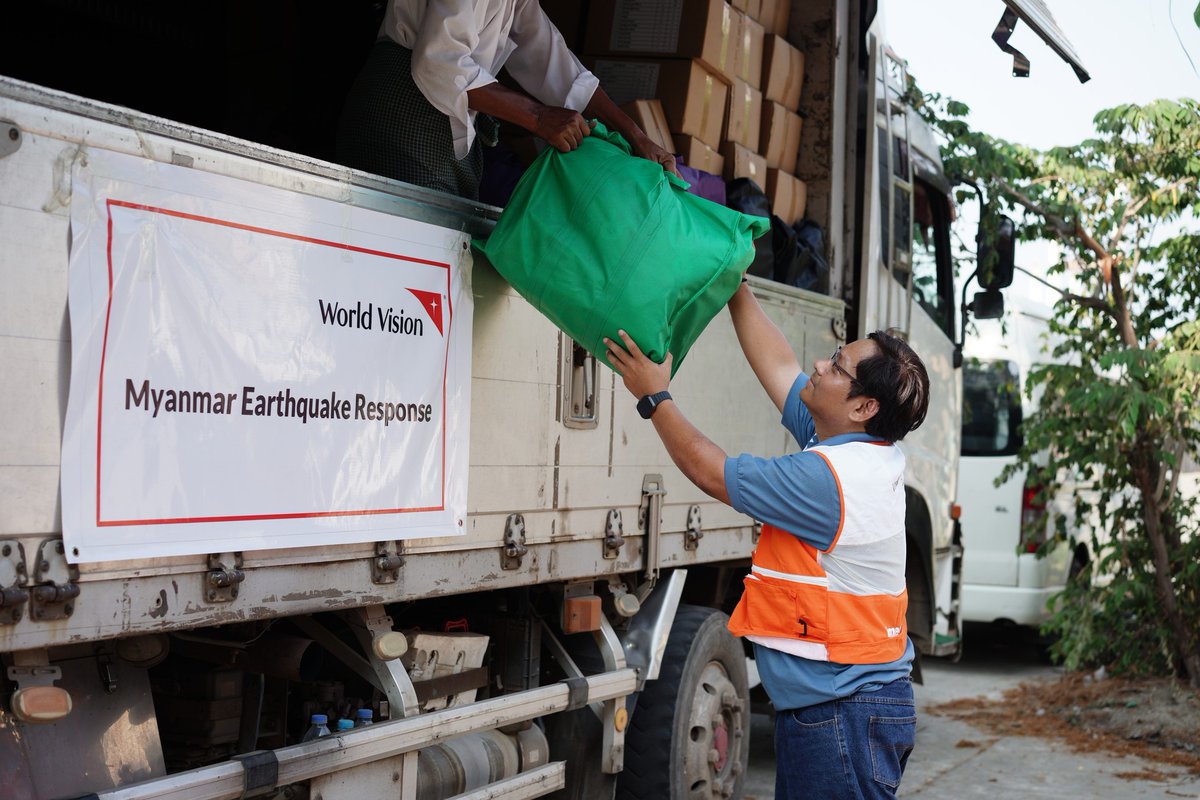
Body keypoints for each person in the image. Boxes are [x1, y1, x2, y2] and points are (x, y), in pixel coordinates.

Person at [603, 280, 930, 799]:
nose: (820, 365)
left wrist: (654, 396)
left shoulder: (830, 481)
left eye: (837, 366)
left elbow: (712, 472)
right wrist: (736, 285)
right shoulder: (861, 449)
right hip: (847, 705)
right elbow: (779, 365)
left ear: (864, 407)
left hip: (842, 713)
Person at [336, 0, 677, 200]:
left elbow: (553, 63)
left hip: (443, 122)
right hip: (400, 112)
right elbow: (438, 61)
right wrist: (538, 118)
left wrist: (636, 136)